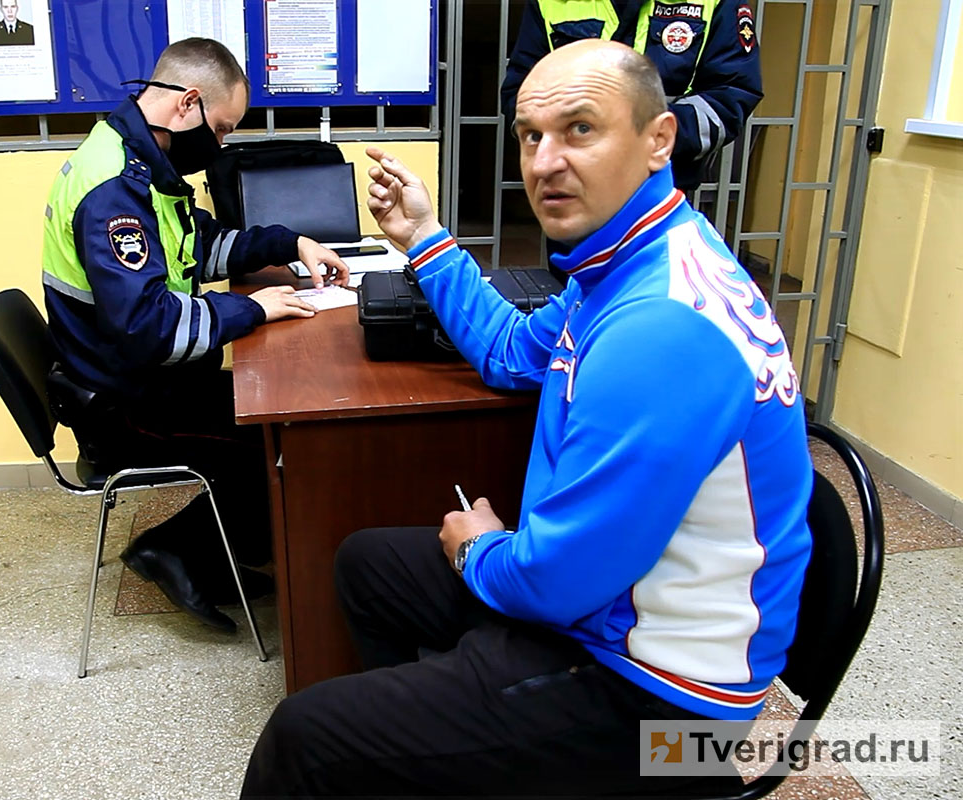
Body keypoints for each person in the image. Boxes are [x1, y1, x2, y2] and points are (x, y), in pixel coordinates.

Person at [240, 40, 811, 798]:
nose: (544, 162)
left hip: (659, 700)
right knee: (367, 564)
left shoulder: (660, 326)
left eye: (580, 129)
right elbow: (513, 352)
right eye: (530, 135)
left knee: (304, 736)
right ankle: (433, 758)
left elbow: (553, 582)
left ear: (658, 140)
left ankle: (457, 737)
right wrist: (421, 237)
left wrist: (478, 553)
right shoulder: (629, 256)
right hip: (605, 608)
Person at [41, 37, 348, 634]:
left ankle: (213, 557)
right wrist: (254, 310)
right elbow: (150, 328)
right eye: (224, 128)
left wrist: (292, 243)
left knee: (276, 420)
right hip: (121, 400)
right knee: (273, 444)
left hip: (139, 379)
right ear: (188, 104)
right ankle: (172, 551)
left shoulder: (138, 162)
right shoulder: (114, 192)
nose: (223, 144)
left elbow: (199, 244)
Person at [501, 0, 762, 192]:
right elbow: (521, 92)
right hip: (573, 188)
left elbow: (731, 94)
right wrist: (566, 135)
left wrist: (640, 138)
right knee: (576, 266)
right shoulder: (551, 3)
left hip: (663, 185)